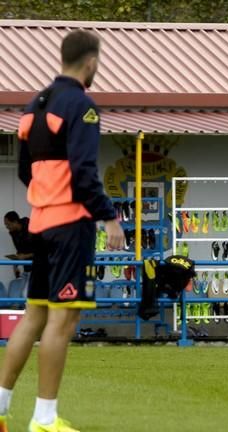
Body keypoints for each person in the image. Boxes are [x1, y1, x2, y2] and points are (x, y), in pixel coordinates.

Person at [0, 30, 124, 432]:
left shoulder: (34, 104)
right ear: (91, 62)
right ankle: (44, 419)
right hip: (71, 226)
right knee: (62, 320)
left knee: (33, 314)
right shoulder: (82, 106)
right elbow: (84, 172)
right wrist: (109, 217)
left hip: (41, 223)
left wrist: (45, 197)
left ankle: (0, 408)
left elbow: (24, 170)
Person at [4, 211, 35, 277]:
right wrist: (15, 266)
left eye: (8, 224)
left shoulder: (31, 227)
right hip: (27, 268)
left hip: (40, 267)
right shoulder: (13, 233)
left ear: (15, 222)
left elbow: (42, 250)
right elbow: (19, 251)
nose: (7, 227)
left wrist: (25, 256)